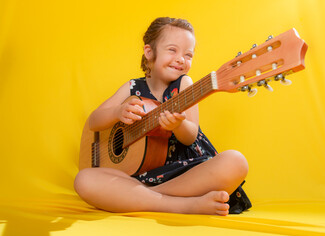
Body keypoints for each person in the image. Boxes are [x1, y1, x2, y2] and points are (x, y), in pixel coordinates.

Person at [74, 17, 251, 216]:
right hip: (139, 176)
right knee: (84, 179)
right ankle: (184, 205)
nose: (181, 59)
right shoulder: (132, 88)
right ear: (149, 52)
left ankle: (138, 197)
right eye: (172, 50)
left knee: (236, 161)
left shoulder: (184, 85)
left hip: (184, 175)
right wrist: (117, 113)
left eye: (188, 54)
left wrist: (177, 126)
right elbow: (94, 122)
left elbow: (190, 136)